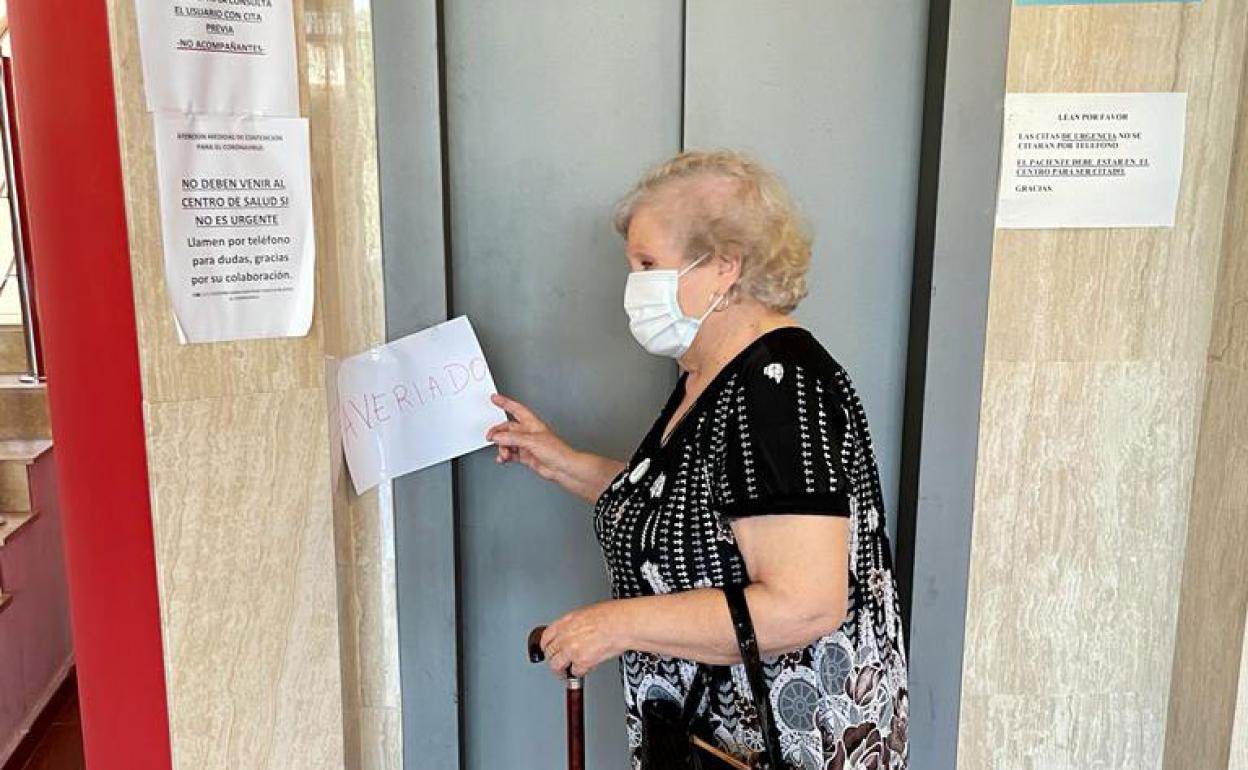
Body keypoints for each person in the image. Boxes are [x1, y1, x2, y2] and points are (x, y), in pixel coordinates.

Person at [486, 150, 909, 770]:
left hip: (783, 751)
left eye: (647, 264)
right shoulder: (707, 377)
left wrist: (616, 625)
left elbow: (805, 603)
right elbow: (686, 508)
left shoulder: (778, 388)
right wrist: (560, 461)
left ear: (725, 266)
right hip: (710, 743)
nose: (633, 284)